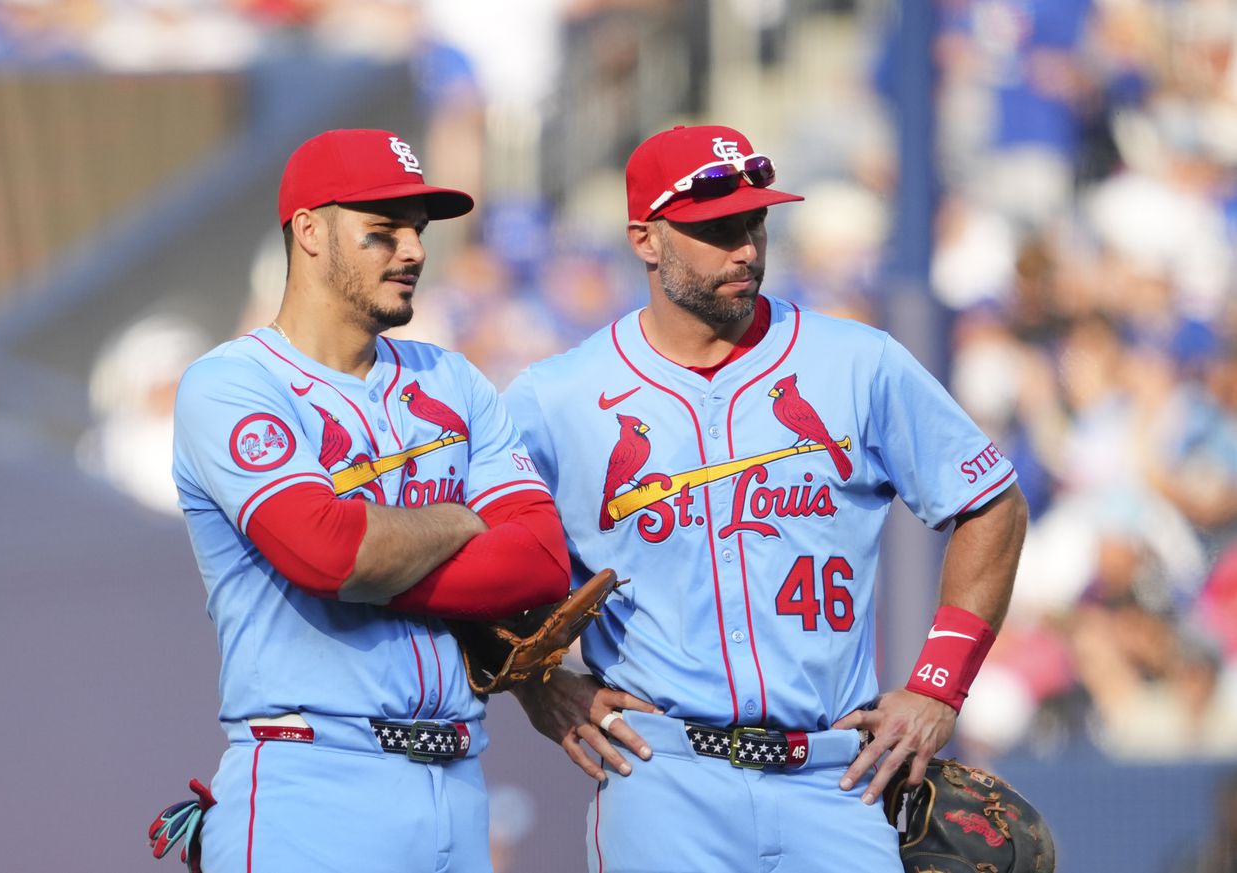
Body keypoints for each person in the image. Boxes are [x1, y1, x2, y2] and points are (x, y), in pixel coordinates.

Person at [502, 124, 1029, 871]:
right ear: (646, 239)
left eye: (754, 222)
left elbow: (991, 503)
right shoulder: (557, 398)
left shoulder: (857, 362)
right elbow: (475, 554)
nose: (745, 248)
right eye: (715, 229)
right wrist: (538, 682)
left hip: (838, 773)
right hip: (662, 773)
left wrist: (937, 687)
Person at [170, 128, 571, 873]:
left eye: (416, 232)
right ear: (311, 231)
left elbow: (541, 563)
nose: (414, 251)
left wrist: (374, 568)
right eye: (383, 233)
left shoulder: (452, 378)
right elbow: (328, 552)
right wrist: (460, 518)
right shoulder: (234, 384)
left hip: (457, 783)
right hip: (311, 780)